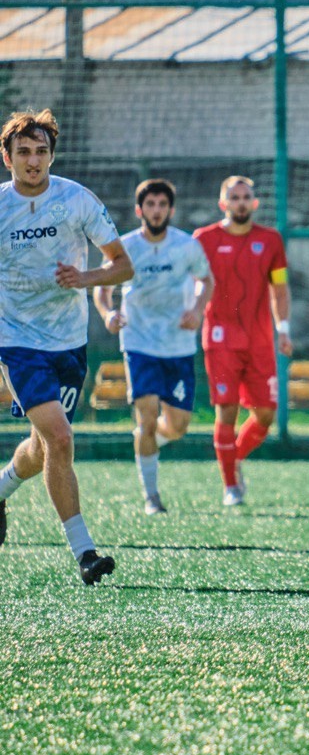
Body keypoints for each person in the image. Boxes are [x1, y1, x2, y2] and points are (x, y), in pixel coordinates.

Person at [0, 109, 133, 585]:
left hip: (69, 344)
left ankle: (0, 488)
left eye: (41, 152)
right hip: (16, 342)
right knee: (61, 438)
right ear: (7, 158)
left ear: (52, 156)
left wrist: (85, 277)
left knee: (43, 449)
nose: (33, 161)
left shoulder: (77, 199)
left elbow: (122, 265)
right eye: (23, 152)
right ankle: (85, 553)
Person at [94, 179, 214, 514]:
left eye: (162, 205)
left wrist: (198, 309)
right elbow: (102, 287)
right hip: (139, 343)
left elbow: (206, 280)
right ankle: (152, 496)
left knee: (178, 426)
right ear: (139, 210)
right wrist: (108, 313)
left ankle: (148, 444)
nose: (156, 210)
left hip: (178, 345)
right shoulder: (126, 246)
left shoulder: (186, 245)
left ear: (171, 210)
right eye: (150, 204)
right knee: (146, 416)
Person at [193, 176, 292, 507]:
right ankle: (231, 487)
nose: (240, 202)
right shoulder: (203, 239)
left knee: (265, 414)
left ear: (255, 203)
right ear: (223, 204)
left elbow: (280, 288)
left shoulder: (271, 240)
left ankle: (232, 458)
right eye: (234, 197)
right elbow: (192, 283)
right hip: (220, 339)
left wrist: (284, 329)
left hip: (260, 341)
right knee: (226, 410)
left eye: (245, 197)